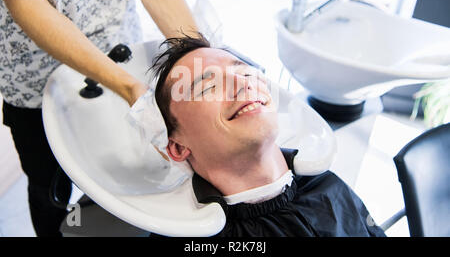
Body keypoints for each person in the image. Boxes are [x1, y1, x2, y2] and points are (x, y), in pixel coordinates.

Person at [0, 0, 198, 236]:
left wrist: (202, 59)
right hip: (35, 78)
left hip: (121, 51)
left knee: (127, 174)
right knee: (50, 189)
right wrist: (130, 89)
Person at [150, 35, 386, 237]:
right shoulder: (193, 234)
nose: (243, 84)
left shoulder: (323, 183)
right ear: (178, 147)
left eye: (244, 72)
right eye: (207, 87)